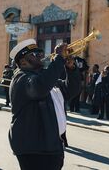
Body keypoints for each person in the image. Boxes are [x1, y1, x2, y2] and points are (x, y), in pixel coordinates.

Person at [8, 39, 81, 170]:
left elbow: (72, 90)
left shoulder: (45, 78)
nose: (40, 57)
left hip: (51, 145)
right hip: (34, 148)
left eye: (40, 54)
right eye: (35, 55)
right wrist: (58, 58)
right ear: (23, 61)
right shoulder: (21, 79)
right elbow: (40, 87)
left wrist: (71, 68)